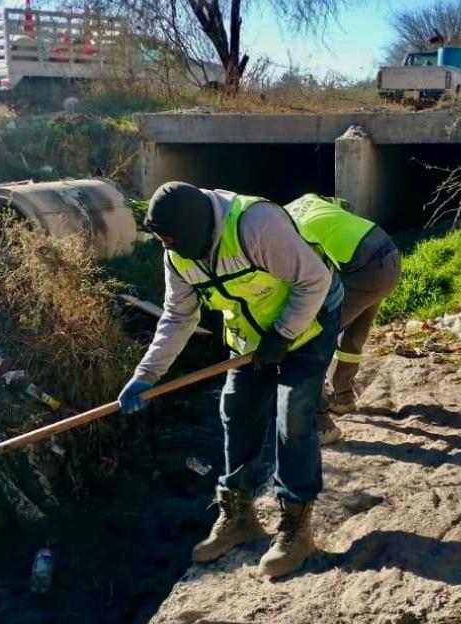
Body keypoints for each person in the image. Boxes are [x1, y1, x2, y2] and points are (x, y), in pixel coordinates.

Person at [117, 182, 343, 579]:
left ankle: (296, 528)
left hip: (309, 323)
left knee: (292, 416)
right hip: (252, 339)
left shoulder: (256, 225)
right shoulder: (177, 253)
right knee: (235, 411)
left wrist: (284, 335)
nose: (172, 252)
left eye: (178, 243)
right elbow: (178, 316)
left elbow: (314, 280)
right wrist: (146, 374)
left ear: (203, 229)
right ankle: (238, 516)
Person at [284, 194, 402, 445]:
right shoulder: (309, 199)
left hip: (363, 271)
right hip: (388, 255)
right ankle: (343, 397)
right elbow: (347, 207)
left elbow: (308, 279)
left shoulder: (284, 231)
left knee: (311, 340)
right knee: (353, 334)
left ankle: (320, 424)